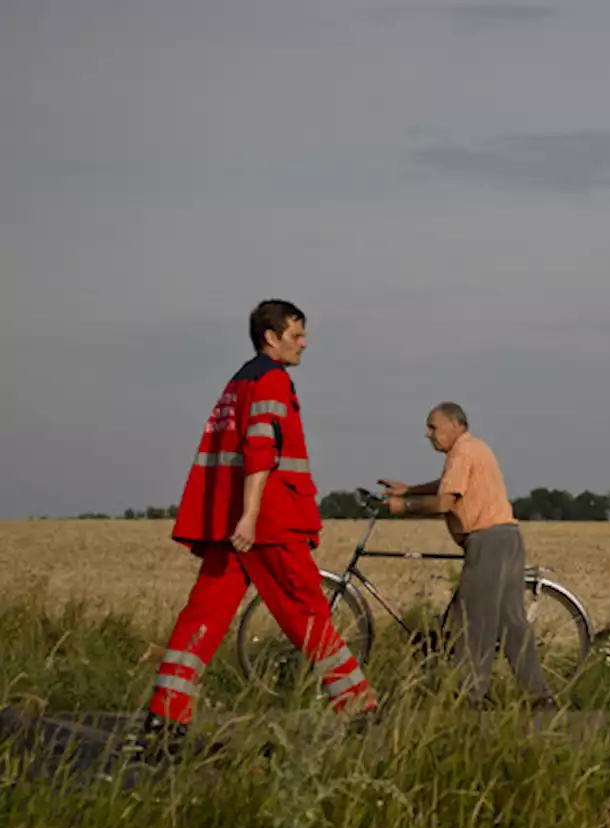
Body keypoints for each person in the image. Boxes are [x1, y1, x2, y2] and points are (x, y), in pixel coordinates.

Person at [131, 300, 376, 755]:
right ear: (271, 336)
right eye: (296, 335)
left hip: (231, 523)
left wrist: (237, 516)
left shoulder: (238, 381)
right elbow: (260, 447)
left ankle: (165, 718)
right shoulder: (271, 380)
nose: (304, 343)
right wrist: (250, 515)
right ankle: (359, 708)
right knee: (306, 609)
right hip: (268, 522)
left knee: (202, 616)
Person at [379, 402, 555, 709]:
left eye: (433, 427)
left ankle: (470, 699)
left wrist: (402, 508)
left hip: (486, 541)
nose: (427, 434)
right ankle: (539, 696)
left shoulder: (461, 452)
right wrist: (408, 490)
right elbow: (447, 486)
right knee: (511, 622)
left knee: (475, 622)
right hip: (508, 537)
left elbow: (444, 502)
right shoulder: (471, 450)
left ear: (455, 425)